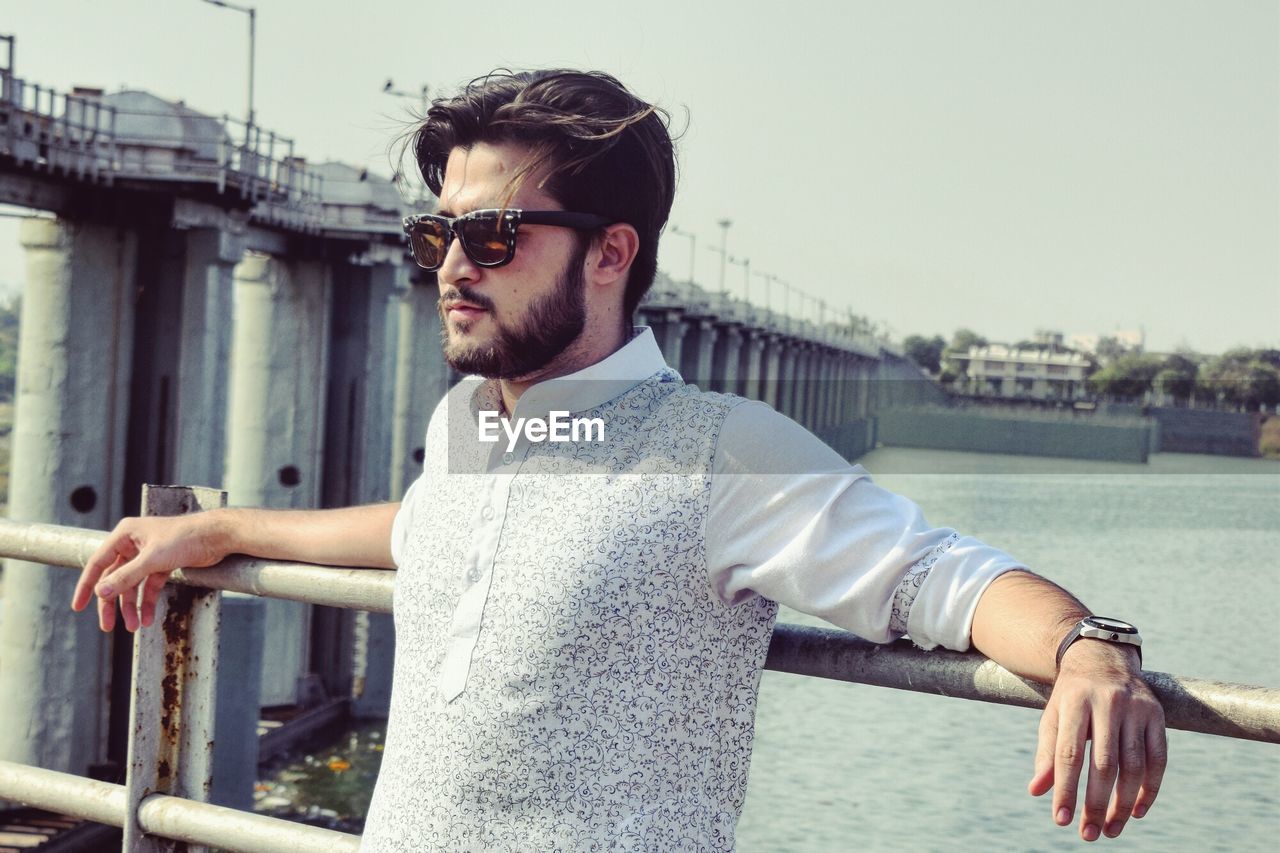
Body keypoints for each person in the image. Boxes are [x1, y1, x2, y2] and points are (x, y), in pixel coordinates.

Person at [71, 70, 1166, 850]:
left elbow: (945, 577)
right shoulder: (467, 422)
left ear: (609, 251)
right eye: (436, 233)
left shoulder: (717, 454)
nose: (452, 264)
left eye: (493, 235)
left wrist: (1083, 649)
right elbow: (424, 526)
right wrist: (224, 529)